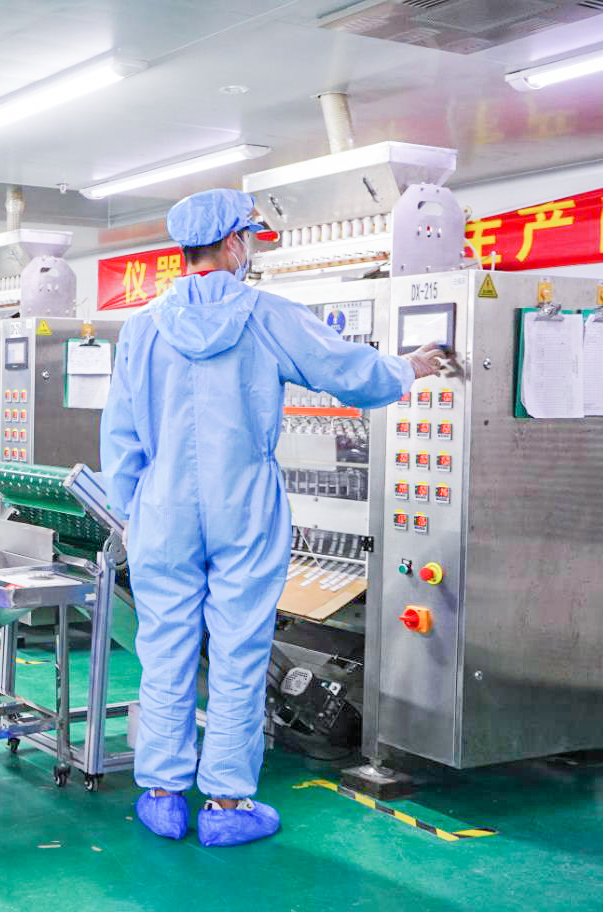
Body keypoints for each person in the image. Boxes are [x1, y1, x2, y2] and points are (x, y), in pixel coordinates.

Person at [101, 188, 445, 848]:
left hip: (162, 506)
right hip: (243, 502)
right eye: (249, 239)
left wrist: (130, 508)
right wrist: (411, 367)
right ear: (233, 242)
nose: (250, 249)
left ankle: (161, 795)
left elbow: (119, 431)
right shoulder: (268, 316)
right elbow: (348, 371)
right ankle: (227, 804)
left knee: (164, 646)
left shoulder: (142, 327)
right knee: (239, 649)